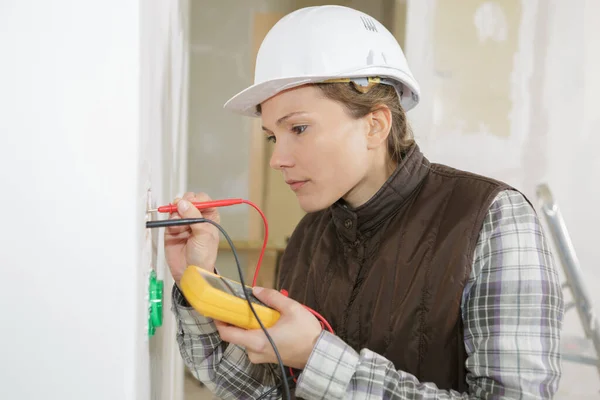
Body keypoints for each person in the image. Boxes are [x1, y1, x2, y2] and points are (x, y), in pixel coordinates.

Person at [166, 5, 564, 399]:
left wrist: (319, 358)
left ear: (375, 125)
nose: (277, 158)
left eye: (299, 128)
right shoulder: (309, 236)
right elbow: (271, 388)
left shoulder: (492, 219)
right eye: (273, 136)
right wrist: (198, 279)